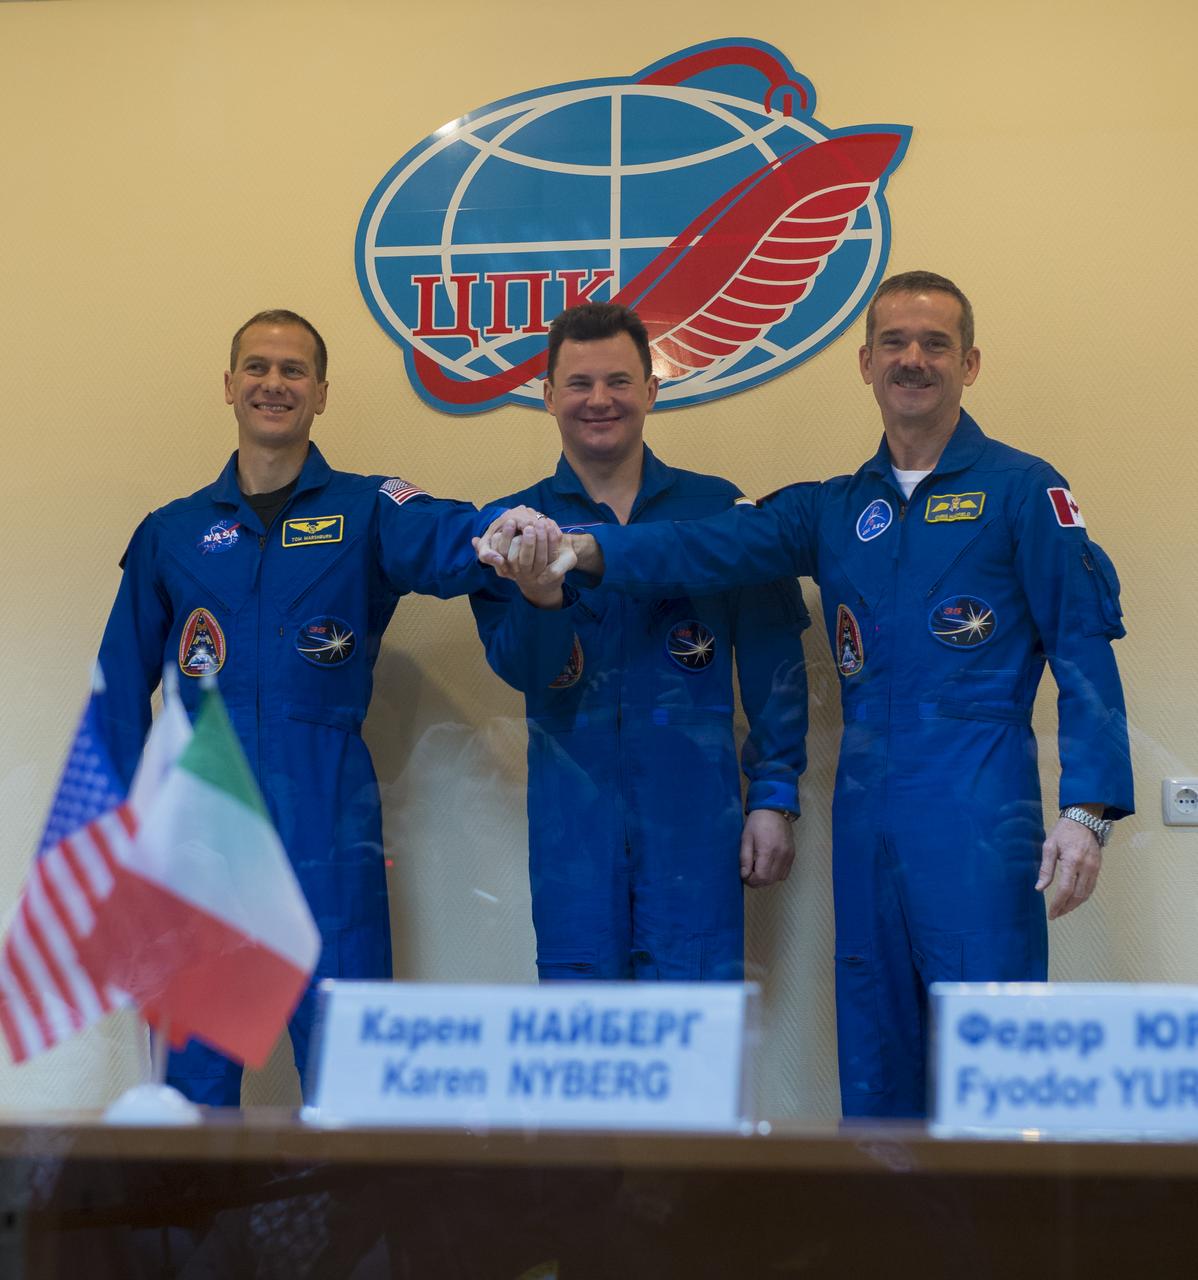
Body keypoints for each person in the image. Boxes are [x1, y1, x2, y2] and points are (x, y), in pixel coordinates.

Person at [479, 272, 1134, 1117]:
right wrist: (583, 553)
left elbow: (1083, 646)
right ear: (864, 363)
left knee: (992, 1043)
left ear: (970, 364)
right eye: (895, 342)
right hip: (863, 804)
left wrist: (1087, 812)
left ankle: (1000, 1245)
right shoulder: (832, 509)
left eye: (935, 343)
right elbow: (706, 548)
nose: (913, 359)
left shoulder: (1022, 491)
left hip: (976, 799)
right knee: (872, 1038)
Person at [98, 309, 537, 1105]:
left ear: (322, 393)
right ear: (229, 387)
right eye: (258, 367)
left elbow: (452, 540)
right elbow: (119, 694)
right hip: (204, 835)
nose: (275, 383)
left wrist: (511, 533)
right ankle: (186, 1234)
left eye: (294, 370)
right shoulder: (173, 533)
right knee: (190, 1091)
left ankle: (358, 1236)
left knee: (351, 1075)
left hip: (328, 824)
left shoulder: (369, 510)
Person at [469, 302, 810, 981]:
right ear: (548, 397)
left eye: (620, 382)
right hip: (575, 828)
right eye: (580, 383)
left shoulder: (720, 514)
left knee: (694, 1034)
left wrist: (772, 795)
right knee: (584, 1038)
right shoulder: (513, 528)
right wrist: (540, 595)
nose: (601, 400)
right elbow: (525, 669)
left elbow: (776, 664)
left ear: (652, 390)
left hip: (696, 822)